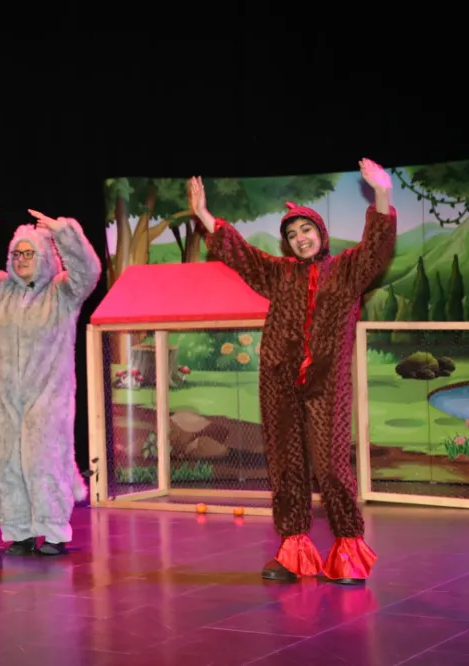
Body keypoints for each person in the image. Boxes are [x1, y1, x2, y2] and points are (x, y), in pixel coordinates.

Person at [187, 158, 397, 584]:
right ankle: (293, 550)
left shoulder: (348, 270)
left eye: (306, 230)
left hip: (325, 385)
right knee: (285, 468)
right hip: (278, 383)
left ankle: (348, 550)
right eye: (292, 234)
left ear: (320, 232)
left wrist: (382, 192)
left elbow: (377, 247)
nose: (300, 239)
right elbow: (241, 255)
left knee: (331, 466)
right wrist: (204, 216)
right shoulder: (278, 274)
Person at [0, 206, 101, 555]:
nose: (21, 259)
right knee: (7, 463)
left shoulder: (62, 292)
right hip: (3, 399)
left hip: (47, 398)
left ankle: (54, 531)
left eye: (29, 253)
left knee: (43, 461)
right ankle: (19, 530)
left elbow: (89, 271)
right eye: (16, 253)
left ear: (44, 255)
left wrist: (64, 234)